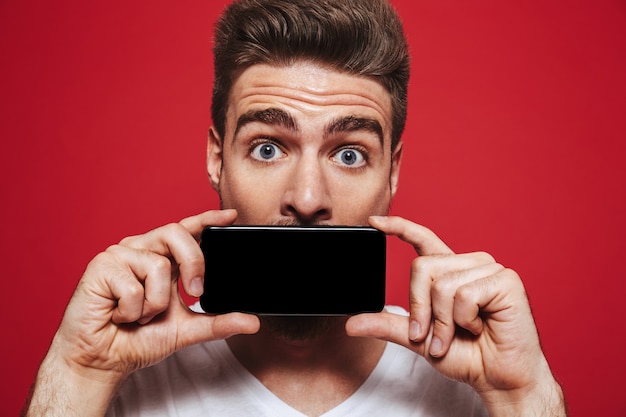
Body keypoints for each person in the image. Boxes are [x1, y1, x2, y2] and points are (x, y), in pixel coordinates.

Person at [23, 0, 568, 416]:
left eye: (350, 154)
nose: (307, 199)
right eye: (267, 147)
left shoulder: (471, 382)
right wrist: (79, 374)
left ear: (392, 174)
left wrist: (521, 394)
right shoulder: (124, 375)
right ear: (217, 158)